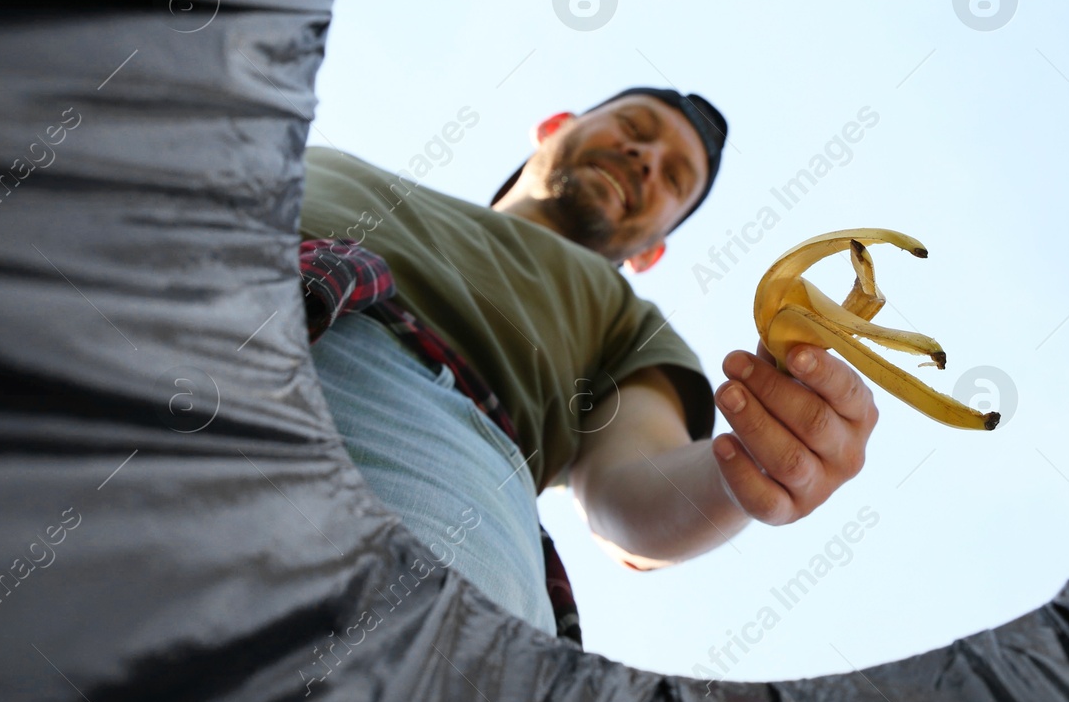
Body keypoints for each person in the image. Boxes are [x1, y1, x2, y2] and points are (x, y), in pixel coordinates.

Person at [296, 87, 880, 642]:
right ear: (555, 126)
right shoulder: (325, 163)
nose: (647, 158)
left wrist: (750, 467)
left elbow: (632, 489)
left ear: (651, 251)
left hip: (428, 451)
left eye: (674, 177)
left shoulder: (627, 322)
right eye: (635, 128)